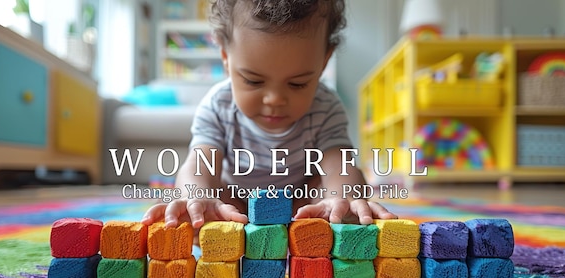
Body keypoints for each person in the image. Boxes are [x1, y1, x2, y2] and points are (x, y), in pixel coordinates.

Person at [142, 0, 397, 229]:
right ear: (225, 56)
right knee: (201, 197)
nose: (274, 99)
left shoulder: (325, 106)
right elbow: (201, 162)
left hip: (300, 205)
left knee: (342, 190)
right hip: (236, 203)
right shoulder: (219, 105)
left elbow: (338, 163)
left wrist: (344, 197)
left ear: (323, 61)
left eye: (297, 84)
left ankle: (335, 212)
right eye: (253, 81)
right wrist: (195, 195)